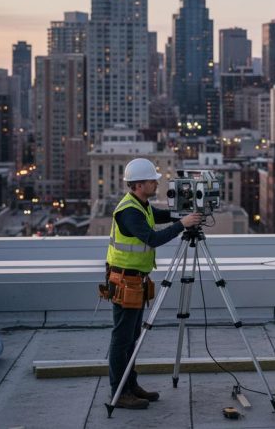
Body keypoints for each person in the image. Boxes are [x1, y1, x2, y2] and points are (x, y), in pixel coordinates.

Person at [104, 158, 202, 410]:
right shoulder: (129, 211)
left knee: (132, 337)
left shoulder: (141, 205)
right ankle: (119, 392)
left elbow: (159, 215)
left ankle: (131, 385)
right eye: (151, 181)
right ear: (138, 185)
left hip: (136, 279)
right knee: (122, 339)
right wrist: (182, 224)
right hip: (124, 280)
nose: (156, 184)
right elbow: (152, 238)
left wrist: (183, 213)